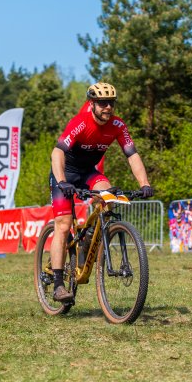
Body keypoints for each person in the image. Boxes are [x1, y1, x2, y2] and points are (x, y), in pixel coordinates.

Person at [49, 82, 153, 302]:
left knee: (109, 196)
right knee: (64, 225)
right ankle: (58, 284)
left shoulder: (117, 125)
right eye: (103, 103)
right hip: (65, 174)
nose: (108, 107)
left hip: (88, 172)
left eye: (111, 103)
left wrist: (144, 183)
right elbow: (57, 152)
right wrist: (62, 181)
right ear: (92, 104)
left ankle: (87, 239)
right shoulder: (80, 122)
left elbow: (132, 155)